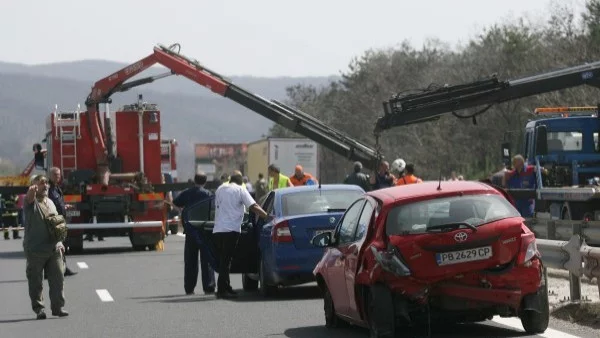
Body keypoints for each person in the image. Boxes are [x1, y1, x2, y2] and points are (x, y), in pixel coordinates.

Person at [213, 170, 271, 298]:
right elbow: (253, 206)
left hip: (218, 230)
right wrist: (267, 216)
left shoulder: (220, 189)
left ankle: (226, 286)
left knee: (224, 260)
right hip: (231, 229)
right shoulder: (240, 190)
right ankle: (222, 290)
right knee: (226, 261)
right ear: (240, 182)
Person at [23, 174, 68, 319]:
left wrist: (60, 242)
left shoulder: (50, 202)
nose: (46, 185)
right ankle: (39, 309)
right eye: (41, 183)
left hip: (53, 249)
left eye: (46, 183)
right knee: (36, 282)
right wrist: (32, 190)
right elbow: (30, 197)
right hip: (36, 250)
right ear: (34, 185)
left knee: (58, 278)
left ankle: (58, 307)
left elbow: (56, 225)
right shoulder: (31, 202)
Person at [171, 173, 216, 295]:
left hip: (191, 230)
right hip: (205, 231)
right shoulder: (209, 194)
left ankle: (189, 288)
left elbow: (174, 202)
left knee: (190, 260)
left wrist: (181, 211)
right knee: (207, 260)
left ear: (194, 181)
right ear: (205, 182)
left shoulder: (187, 192)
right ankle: (209, 286)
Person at [47, 167, 77, 277]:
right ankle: (49, 270)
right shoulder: (48, 189)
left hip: (60, 220)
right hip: (53, 221)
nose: (57, 176)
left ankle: (64, 267)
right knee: (52, 246)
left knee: (62, 245)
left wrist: (65, 206)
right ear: (50, 175)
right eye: (55, 174)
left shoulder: (57, 189)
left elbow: (58, 203)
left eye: (59, 174)